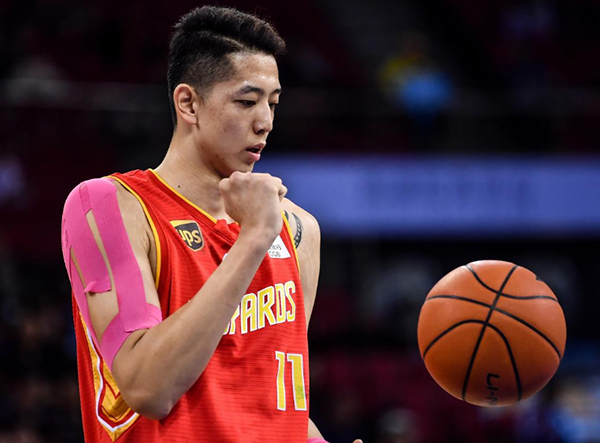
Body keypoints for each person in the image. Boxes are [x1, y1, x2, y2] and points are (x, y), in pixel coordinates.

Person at [60, 5, 363, 443]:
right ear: (188, 103)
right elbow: (147, 387)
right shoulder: (109, 206)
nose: (265, 122)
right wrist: (253, 239)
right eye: (246, 102)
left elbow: (276, 400)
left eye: (273, 103)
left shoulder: (299, 230)